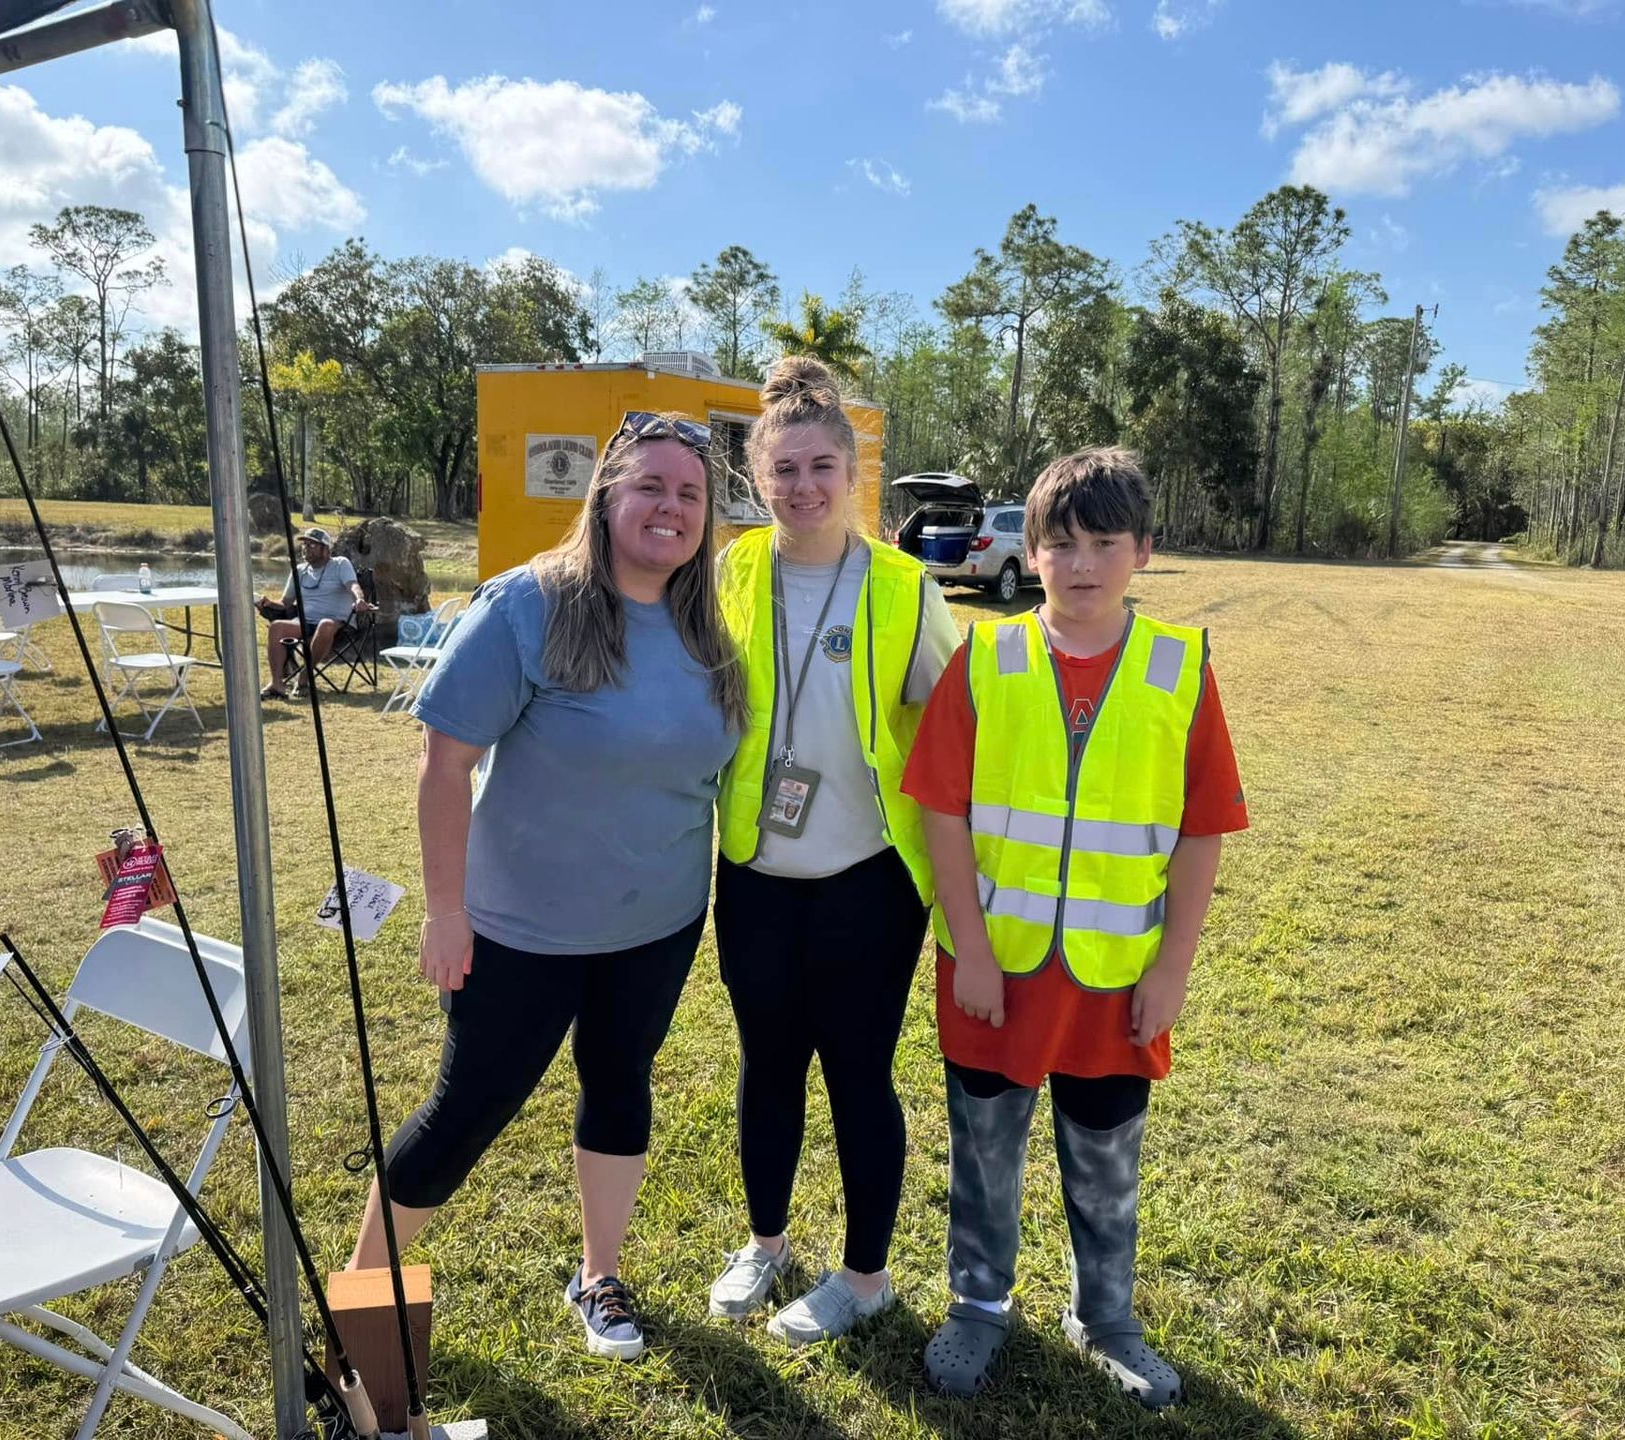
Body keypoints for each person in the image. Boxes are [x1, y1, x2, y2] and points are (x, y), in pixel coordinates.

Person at [347, 412, 746, 1361]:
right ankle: (363, 1305)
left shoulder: (708, 627)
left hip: (657, 925)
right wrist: (445, 913)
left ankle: (599, 1274)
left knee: (620, 1085)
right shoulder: (527, 606)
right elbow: (446, 767)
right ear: (606, 493)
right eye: (651, 485)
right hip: (519, 932)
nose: (671, 508)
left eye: (690, 494)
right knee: (465, 1112)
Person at [903, 448, 1247, 1409]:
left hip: (1115, 978)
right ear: (1031, 549)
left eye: (1105, 543)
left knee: (1105, 1161)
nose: (1082, 563)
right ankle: (978, 1303)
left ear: (1143, 550)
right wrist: (969, 947)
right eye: (1061, 543)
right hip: (993, 970)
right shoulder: (989, 657)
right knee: (984, 1152)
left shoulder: (1179, 669)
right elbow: (943, 811)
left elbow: (1198, 831)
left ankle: (1106, 1316)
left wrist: (1172, 967)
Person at [708, 357, 959, 1344]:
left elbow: (954, 732)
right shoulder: (729, 573)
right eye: (785, 472)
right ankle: (766, 1245)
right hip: (756, 877)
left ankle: (864, 1278)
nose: (804, 488)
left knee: (858, 1072)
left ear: (851, 472)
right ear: (758, 477)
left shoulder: (902, 587)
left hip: (869, 884)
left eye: (822, 468)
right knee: (766, 1066)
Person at [259, 525, 372, 699]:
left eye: (311, 545)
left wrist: (359, 599)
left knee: (325, 624)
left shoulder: (340, 564)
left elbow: (353, 585)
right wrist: (268, 603)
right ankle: (277, 684)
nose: (306, 549)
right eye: (304, 545)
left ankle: (305, 675)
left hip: (338, 624)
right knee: (276, 627)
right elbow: (285, 603)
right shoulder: (299, 570)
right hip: (304, 622)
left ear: (325, 549)